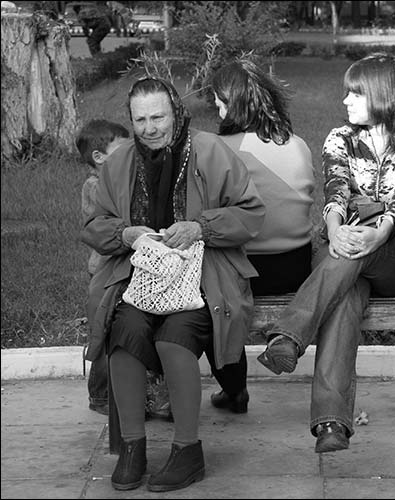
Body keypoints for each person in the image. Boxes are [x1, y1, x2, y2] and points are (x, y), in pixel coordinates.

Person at [80, 76, 265, 492]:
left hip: (203, 277)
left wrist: (201, 227)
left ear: (176, 113)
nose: (149, 128)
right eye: (140, 120)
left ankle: (187, 450)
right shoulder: (120, 162)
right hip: (141, 278)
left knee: (174, 336)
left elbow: (252, 213)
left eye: (158, 117)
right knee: (125, 330)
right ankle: (133, 447)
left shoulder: (210, 151)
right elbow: (94, 224)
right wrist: (125, 234)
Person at [258, 53, 395, 453]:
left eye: (355, 93)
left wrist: (377, 235)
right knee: (345, 296)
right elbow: (336, 189)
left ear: (383, 94)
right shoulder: (340, 138)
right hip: (342, 246)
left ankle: (289, 335)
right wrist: (334, 232)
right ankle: (331, 425)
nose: (346, 100)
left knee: (353, 255)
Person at [209, 59, 315, 414]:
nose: (217, 111)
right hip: (297, 266)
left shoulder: (219, 148)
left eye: (220, 103)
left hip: (246, 272)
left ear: (233, 104)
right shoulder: (298, 144)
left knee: (204, 288)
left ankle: (234, 387)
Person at [76, 118, 130, 416]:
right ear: (99, 157)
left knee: (120, 329)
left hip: (119, 266)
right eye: (122, 151)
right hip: (104, 270)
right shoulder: (96, 186)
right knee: (103, 331)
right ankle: (100, 394)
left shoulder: (112, 181)